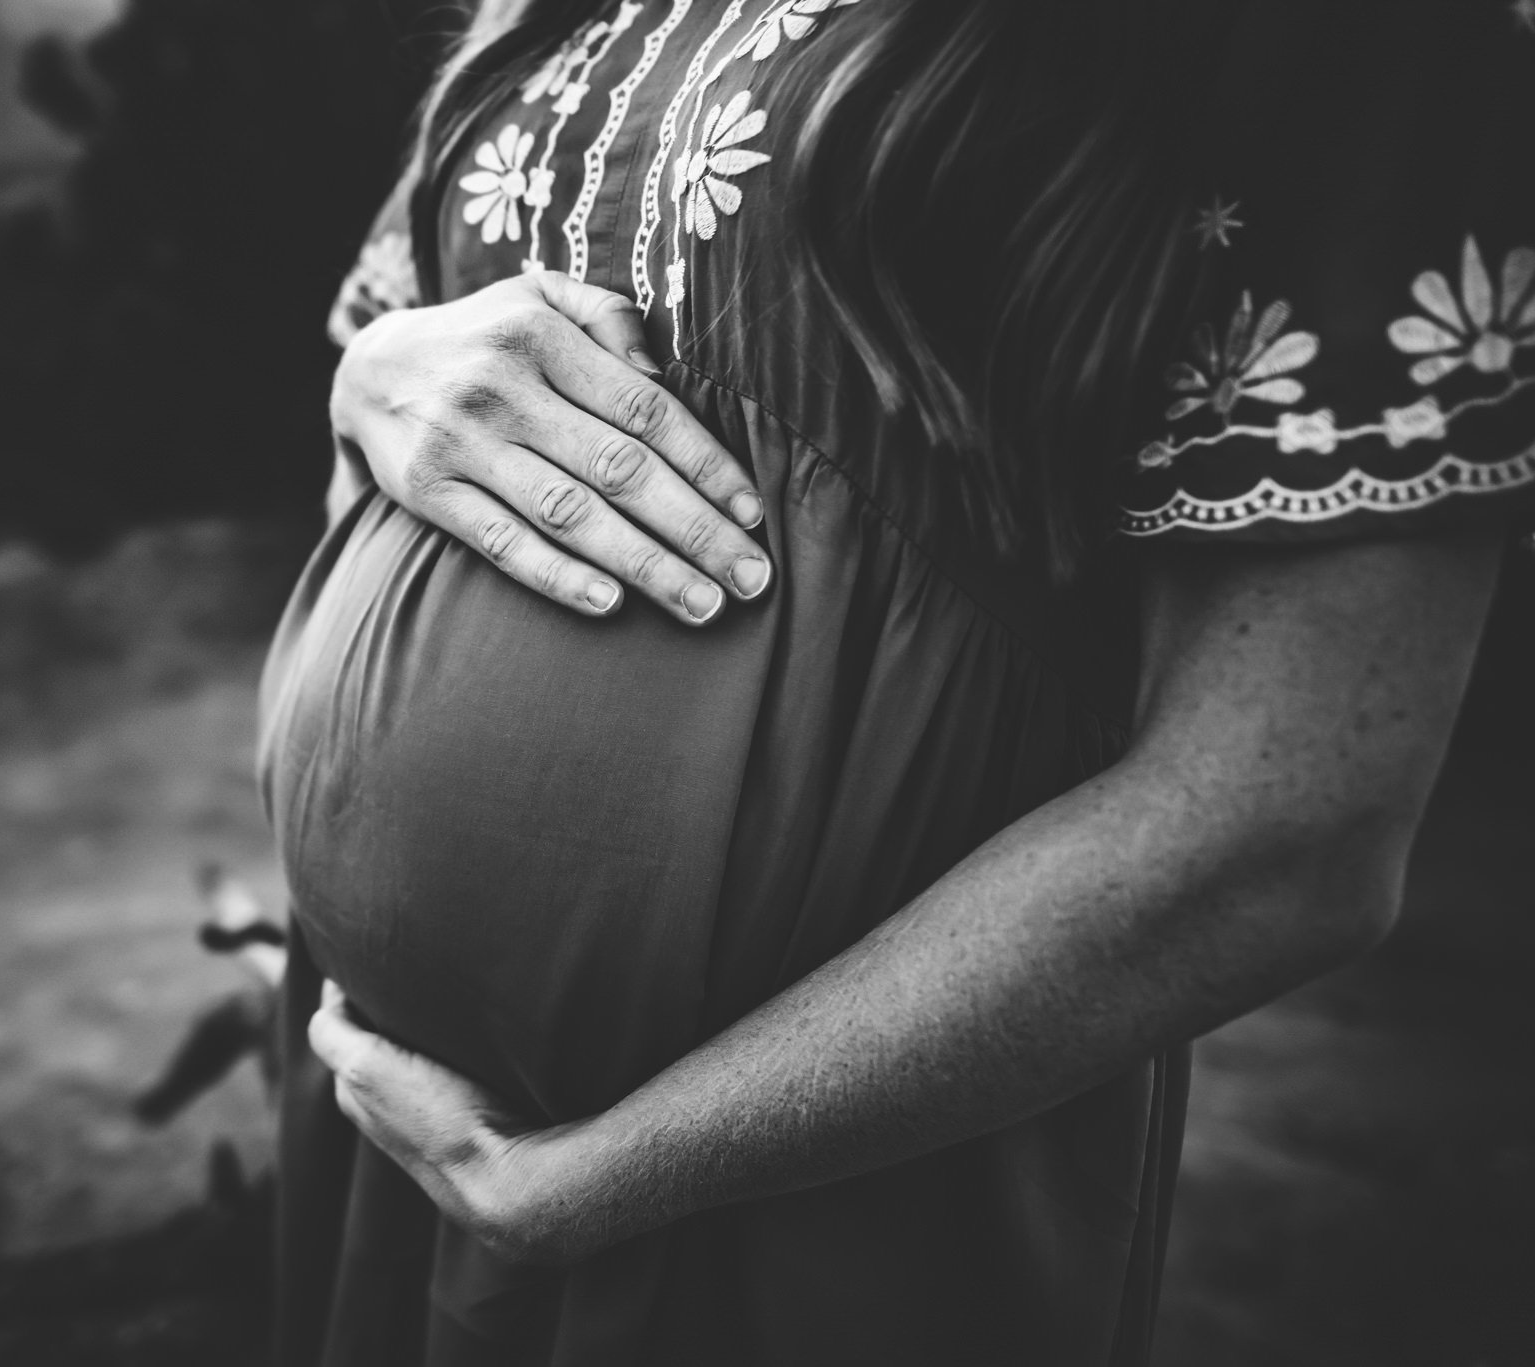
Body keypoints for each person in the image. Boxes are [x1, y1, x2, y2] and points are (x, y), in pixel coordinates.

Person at [256, 0, 1535, 1361]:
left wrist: (596, 1178)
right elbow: (408, 397)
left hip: (805, 1174)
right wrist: (379, 380)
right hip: (385, 1109)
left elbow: (1286, 832)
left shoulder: (1342, 41)